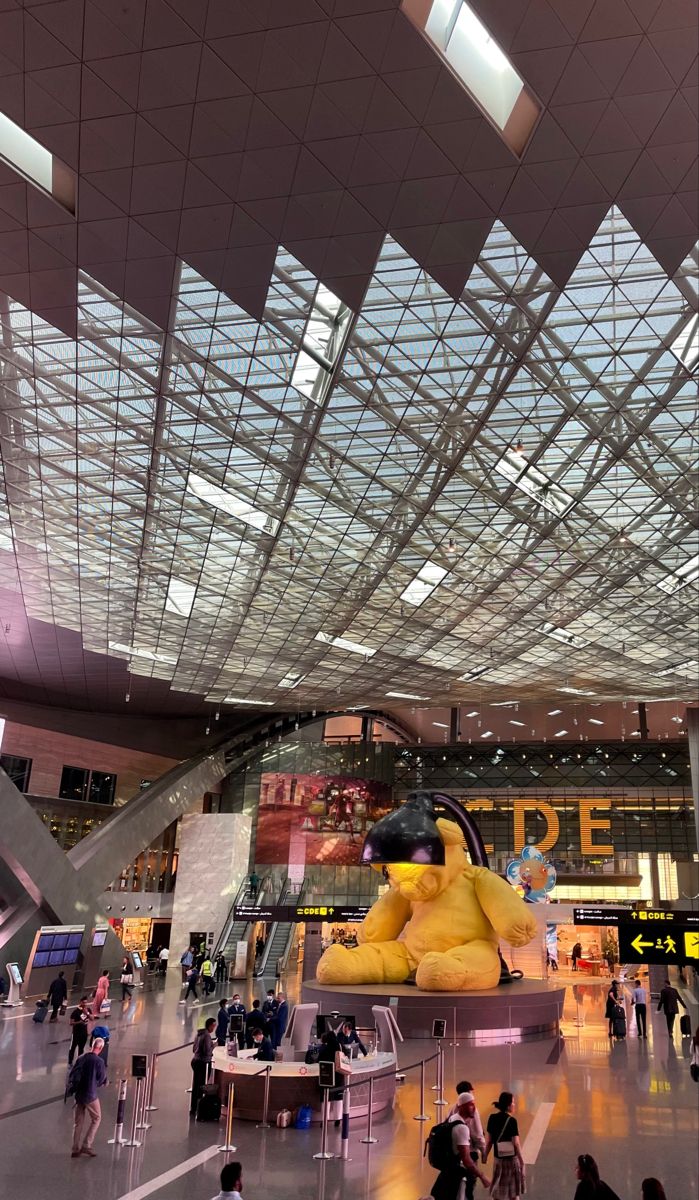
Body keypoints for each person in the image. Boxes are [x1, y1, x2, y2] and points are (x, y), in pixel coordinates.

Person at [431, 1092, 490, 1200]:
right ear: (461, 1106)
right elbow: (466, 1160)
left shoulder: (453, 1118)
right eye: (470, 1105)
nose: (474, 1108)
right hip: (457, 1175)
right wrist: (482, 1176)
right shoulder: (461, 1128)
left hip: (448, 1171)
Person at [483, 1091, 525, 1200]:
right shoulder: (512, 1121)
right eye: (513, 1102)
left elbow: (489, 1141)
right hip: (511, 1160)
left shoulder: (492, 1118)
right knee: (513, 1193)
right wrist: (521, 1161)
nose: (514, 1105)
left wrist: (485, 1155)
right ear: (508, 1105)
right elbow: (515, 1143)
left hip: (498, 1160)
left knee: (498, 1191)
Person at [70, 1037, 107, 1157]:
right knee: (97, 1118)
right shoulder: (99, 1061)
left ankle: (75, 1149)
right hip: (90, 1095)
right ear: (100, 1048)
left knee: (78, 1123)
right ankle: (87, 1145)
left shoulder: (81, 1058)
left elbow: (73, 1073)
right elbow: (101, 1079)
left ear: (92, 1045)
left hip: (78, 1094)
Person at [318, 1030, 351, 1128]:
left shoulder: (325, 1048)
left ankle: (324, 1120)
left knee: (326, 1098)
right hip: (339, 1074)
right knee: (338, 1097)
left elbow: (319, 1059)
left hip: (327, 1075)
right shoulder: (340, 1046)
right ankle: (337, 1119)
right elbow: (346, 1057)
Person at [448, 1082, 485, 1159]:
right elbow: (477, 1132)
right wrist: (483, 1150)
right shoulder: (472, 1109)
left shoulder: (452, 1108)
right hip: (469, 1150)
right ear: (469, 1092)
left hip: (454, 1151)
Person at [190, 1017, 216, 1116]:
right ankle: (199, 1108)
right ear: (210, 1026)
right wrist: (214, 1045)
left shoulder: (198, 1034)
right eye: (213, 1026)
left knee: (196, 1085)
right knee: (201, 1086)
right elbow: (207, 1051)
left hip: (195, 1061)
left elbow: (194, 1049)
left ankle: (193, 1107)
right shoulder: (207, 1036)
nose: (214, 1028)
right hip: (202, 1063)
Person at [68, 997, 90, 1065]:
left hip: (84, 1033)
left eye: (86, 1002)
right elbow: (71, 1023)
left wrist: (87, 1013)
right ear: (80, 1002)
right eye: (83, 1002)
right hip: (76, 1033)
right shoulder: (75, 1012)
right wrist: (79, 1022)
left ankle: (79, 1061)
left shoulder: (88, 1010)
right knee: (73, 1047)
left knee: (81, 1048)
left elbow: (92, 1018)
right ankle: (70, 1061)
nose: (85, 1004)